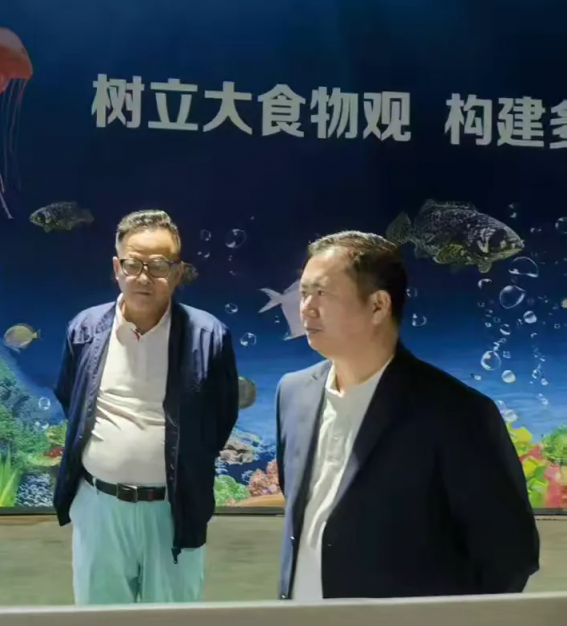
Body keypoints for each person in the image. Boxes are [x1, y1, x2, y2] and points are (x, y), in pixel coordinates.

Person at [276, 231, 539, 601]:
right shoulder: (292, 394)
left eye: (322, 293)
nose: (306, 308)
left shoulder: (456, 413)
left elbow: (509, 555)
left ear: (378, 306)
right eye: (303, 292)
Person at [54, 209, 240, 605]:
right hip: (99, 506)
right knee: (99, 617)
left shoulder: (209, 336)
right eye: (133, 264)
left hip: (173, 509)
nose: (144, 277)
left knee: (172, 618)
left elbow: (221, 417)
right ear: (116, 268)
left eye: (158, 266)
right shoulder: (84, 329)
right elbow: (73, 399)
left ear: (177, 272)